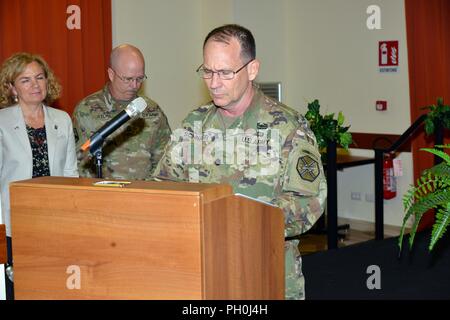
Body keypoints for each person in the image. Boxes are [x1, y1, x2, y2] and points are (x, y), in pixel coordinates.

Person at [154, 24, 327, 300]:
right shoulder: (193, 124)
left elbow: (309, 203)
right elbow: (163, 187)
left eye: (225, 72)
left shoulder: (288, 127)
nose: (213, 82)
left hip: (264, 273)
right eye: (207, 71)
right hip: (203, 273)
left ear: (252, 69)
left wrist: (240, 225)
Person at [0, 52, 79, 300]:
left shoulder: (62, 119)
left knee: (49, 286)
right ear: (12, 87)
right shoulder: (1, 122)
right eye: (25, 80)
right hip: (13, 221)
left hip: (54, 219)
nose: (35, 85)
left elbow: (70, 171)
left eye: (39, 77)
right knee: (16, 287)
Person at [72, 44, 171, 180]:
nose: (134, 85)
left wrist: (149, 187)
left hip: (143, 193)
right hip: (101, 194)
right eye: (128, 79)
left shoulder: (152, 110)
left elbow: (164, 158)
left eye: (140, 79)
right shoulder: (86, 109)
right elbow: (78, 159)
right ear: (111, 74)